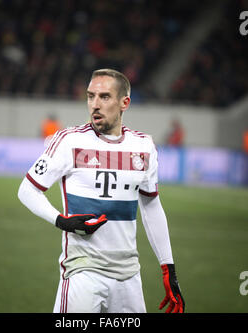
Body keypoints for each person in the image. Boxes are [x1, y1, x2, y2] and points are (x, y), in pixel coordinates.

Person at [18, 68, 185, 313]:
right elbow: (27, 189)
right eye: (90, 96)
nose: (95, 104)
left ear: (124, 102)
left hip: (129, 275)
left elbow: (150, 205)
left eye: (104, 97)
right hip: (82, 270)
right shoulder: (69, 141)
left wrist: (168, 268)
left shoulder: (144, 147)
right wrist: (61, 220)